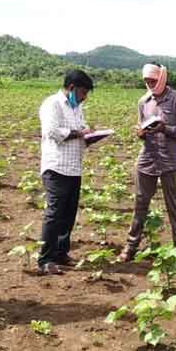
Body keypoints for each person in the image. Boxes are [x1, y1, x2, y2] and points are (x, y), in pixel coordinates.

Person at [119, 63, 176, 261]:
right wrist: (141, 133)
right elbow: (141, 131)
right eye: (146, 81)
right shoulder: (143, 101)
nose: (150, 84)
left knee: (174, 205)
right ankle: (130, 246)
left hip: (169, 161)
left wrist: (165, 128)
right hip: (147, 159)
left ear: (161, 78)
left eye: (153, 80)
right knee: (140, 204)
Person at [37, 70, 99, 275]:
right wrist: (79, 133)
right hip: (56, 167)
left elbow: (80, 129)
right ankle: (46, 259)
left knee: (68, 214)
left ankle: (61, 254)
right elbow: (52, 132)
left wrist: (89, 134)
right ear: (72, 88)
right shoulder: (52, 104)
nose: (84, 97)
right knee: (54, 214)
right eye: (83, 92)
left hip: (74, 167)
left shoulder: (76, 107)